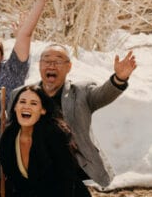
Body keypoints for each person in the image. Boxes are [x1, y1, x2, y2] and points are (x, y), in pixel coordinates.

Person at [32, 45, 137, 188]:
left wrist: (119, 78)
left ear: (69, 67)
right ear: (39, 65)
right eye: (46, 61)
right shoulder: (25, 96)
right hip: (37, 169)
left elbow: (103, 94)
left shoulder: (81, 92)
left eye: (58, 61)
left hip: (77, 172)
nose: (51, 65)